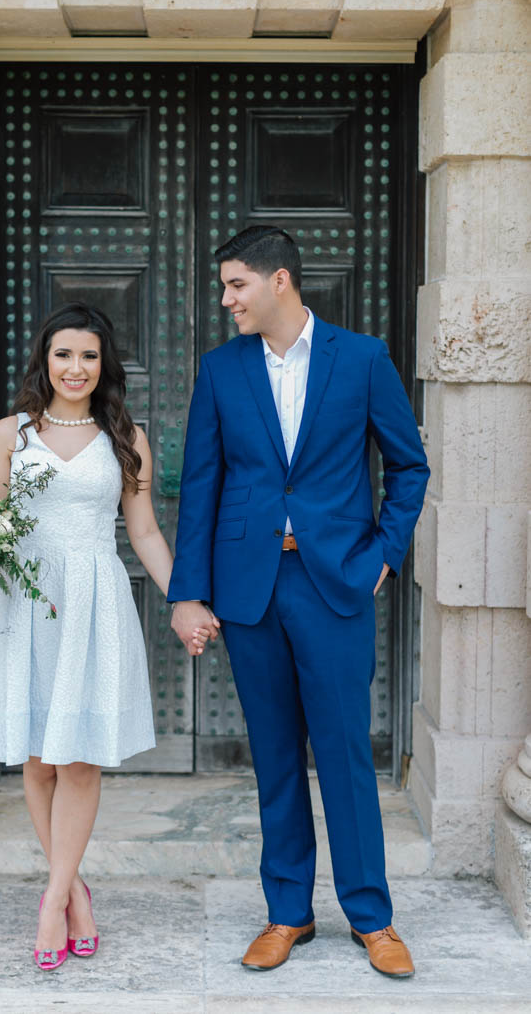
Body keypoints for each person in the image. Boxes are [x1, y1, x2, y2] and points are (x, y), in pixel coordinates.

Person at [169, 226, 430, 979]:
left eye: (235, 286)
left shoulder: (363, 359)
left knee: (346, 754)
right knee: (276, 757)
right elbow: (202, 488)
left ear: (279, 280)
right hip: (250, 588)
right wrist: (190, 591)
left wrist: (383, 554)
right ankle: (287, 912)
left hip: (335, 582)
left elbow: (408, 467)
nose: (226, 301)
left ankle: (372, 918)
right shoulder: (221, 371)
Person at [0, 302, 218, 971]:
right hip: (23, 601)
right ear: (43, 360)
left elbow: (143, 533)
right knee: (37, 756)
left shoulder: (126, 436)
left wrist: (185, 600)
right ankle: (74, 887)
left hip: (93, 601)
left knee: (78, 757)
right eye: (63, 354)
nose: (75, 368)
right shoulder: (8, 436)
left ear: (103, 364)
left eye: (88, 356)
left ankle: (52, 900)